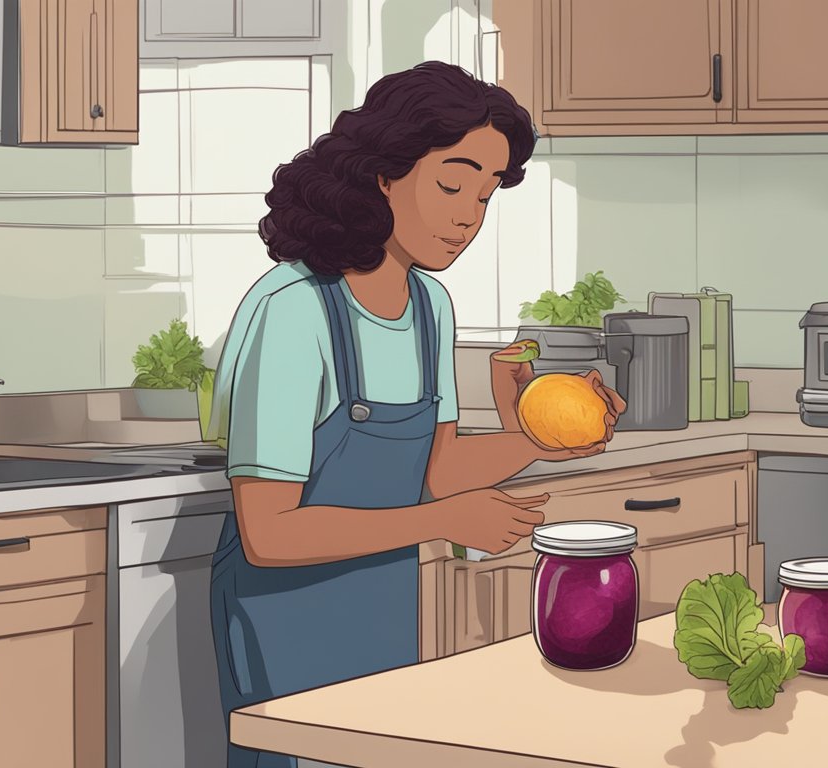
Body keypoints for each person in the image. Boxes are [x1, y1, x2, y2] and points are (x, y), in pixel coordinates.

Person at [205, 61, 626, 768]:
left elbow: (437, 469)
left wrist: (542, 439)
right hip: (285, 614)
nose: (469, 214)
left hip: (383, 600)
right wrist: (442, 522)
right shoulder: (294, 310)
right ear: (382, 174)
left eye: (487, 196)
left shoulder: (429, 306)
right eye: (451, 183)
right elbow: (267, 533)